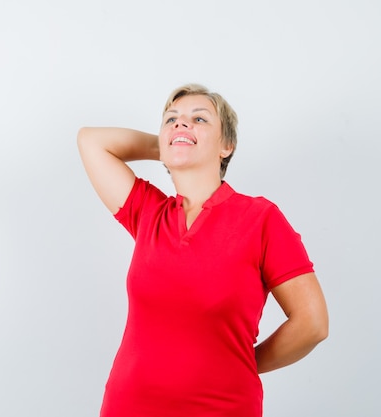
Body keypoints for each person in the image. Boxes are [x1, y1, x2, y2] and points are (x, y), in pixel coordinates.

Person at [77, 83, 328, 417]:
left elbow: (312, 323)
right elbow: (90, 141)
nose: (182, 123)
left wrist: (244, 362)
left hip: (221, 408)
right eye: (172, 119)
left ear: (227, 145)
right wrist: (170, 145)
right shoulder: (149, 212)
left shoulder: (260, 219)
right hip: (129, 406)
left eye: (200, 119)